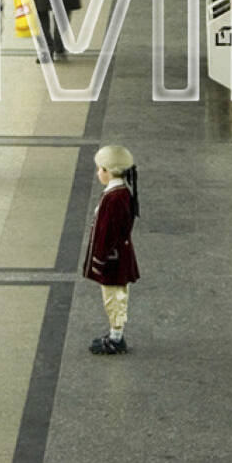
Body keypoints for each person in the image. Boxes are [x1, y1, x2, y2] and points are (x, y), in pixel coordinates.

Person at [82, 144, 140, 355]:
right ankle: (115, 333)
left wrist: (99, 258)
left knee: (114, 297)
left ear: (107, 171)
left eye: (100, 169)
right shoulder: (120, 192)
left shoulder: (115, 198)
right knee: (114, 295)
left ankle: (116, 337)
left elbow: (108, 233)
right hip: (117, 256)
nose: (98, 173)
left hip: (112, 259)